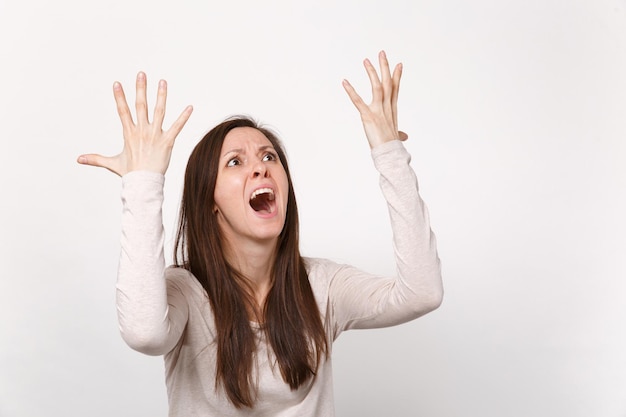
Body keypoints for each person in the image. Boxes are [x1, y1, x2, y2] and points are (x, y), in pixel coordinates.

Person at [77, 51, 443, 416]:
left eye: (269, 157)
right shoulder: (186, 291)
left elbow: (422, 293)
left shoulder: (322, 286)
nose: (260, 169)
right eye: (235, 162)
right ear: (210, 202)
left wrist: (389, 153)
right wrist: (144, 182)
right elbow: (144, 334)